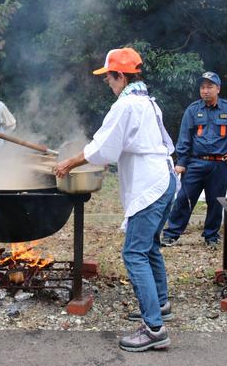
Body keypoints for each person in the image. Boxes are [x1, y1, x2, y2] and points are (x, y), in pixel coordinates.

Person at [54, 47, 177, 352]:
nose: (107, 83)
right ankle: (160, 305)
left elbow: (102, 148)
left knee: (134, 253)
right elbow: (119, 146)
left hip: (150, 185)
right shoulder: (148, 101)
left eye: (109, 77)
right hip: (165, 179)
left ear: (120, 76)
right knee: (149, 247)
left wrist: (69, 163)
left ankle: (154, 329)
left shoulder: (126, 106)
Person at [161, 72, 227, 248]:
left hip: (220, 164)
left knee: (216, 202)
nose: (205, 91)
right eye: (202, 87)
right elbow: (184, 137)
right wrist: (181, 162)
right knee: (184, 199)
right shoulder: (193, 110)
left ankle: (211, 236)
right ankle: (171, 234)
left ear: (218, 89)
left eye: (209, 87)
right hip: (195, 163)